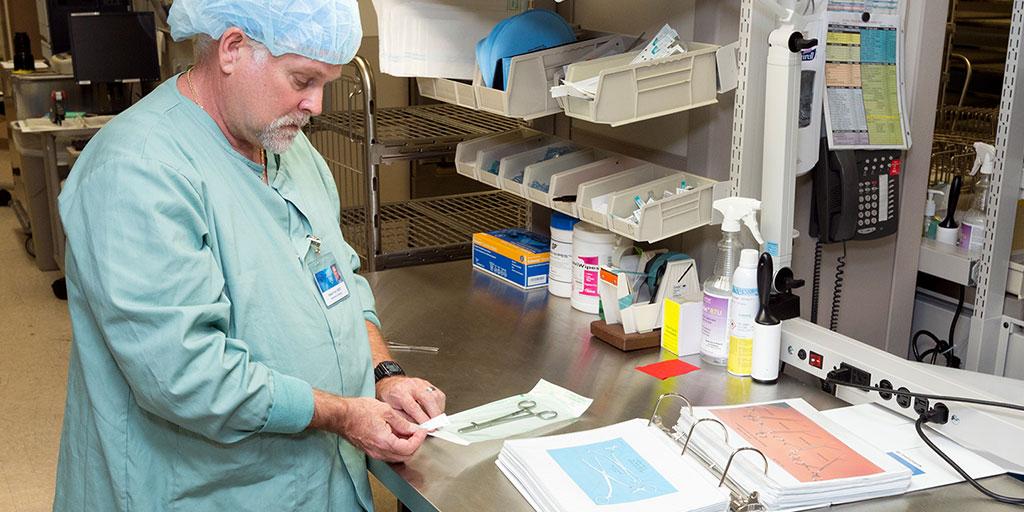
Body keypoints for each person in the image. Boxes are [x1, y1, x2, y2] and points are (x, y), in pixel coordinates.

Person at [53, 1, 445, 510]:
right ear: (233, 48)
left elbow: (338, 279)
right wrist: (343, 414)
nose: (316, 105)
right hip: (200, 490)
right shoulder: (138, 169)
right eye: (302, 79)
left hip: (316, 481)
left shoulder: (285, 146)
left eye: (327, 83)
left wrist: (383, 374)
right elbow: (187, 374)